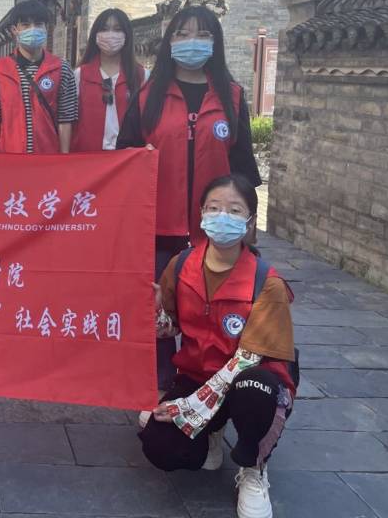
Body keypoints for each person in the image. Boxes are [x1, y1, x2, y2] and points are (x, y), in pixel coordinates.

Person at [117, 5, 260, 395]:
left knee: (212, 311)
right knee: (156, 310)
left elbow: (244, 166)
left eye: (201, 34)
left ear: (215, 42)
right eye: (181, 34)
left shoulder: (232, 96)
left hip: (215, 229)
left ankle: (206, 389)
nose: (191, 42)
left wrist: (246, 227)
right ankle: (161, 388)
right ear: (169, 42)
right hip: (158, 227)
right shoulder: (149, 96)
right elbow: (123, 156)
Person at [140, 174, 296, 518]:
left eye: (234, 210)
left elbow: (247, 360)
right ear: (201, 214)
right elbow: (171, 327)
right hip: (198, 375)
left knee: (255, 389)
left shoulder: (266, 283)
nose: (222, 216)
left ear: (249, 221)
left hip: (248, 381)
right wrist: (155, 313)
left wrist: (186, 410)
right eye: (213, 208)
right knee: (159, 446)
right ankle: (212, 432)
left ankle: (253, 466)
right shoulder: (182, 265)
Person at [0, 0, 78, 153]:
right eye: (25, 25)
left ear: (46, 28)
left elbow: (66, 120)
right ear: (14, 30)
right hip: (10, 159)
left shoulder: (62, 69)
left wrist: (63, 159)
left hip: (48, 158)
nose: (33, 29)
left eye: (38, 24)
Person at [72, 8, 147, 151]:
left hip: (126, 157)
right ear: (95, 34)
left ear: (127, 35)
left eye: (117, 29)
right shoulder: (80, 75)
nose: (111, 34)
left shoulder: (142, 76)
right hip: (88, 157)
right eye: (105, 29)